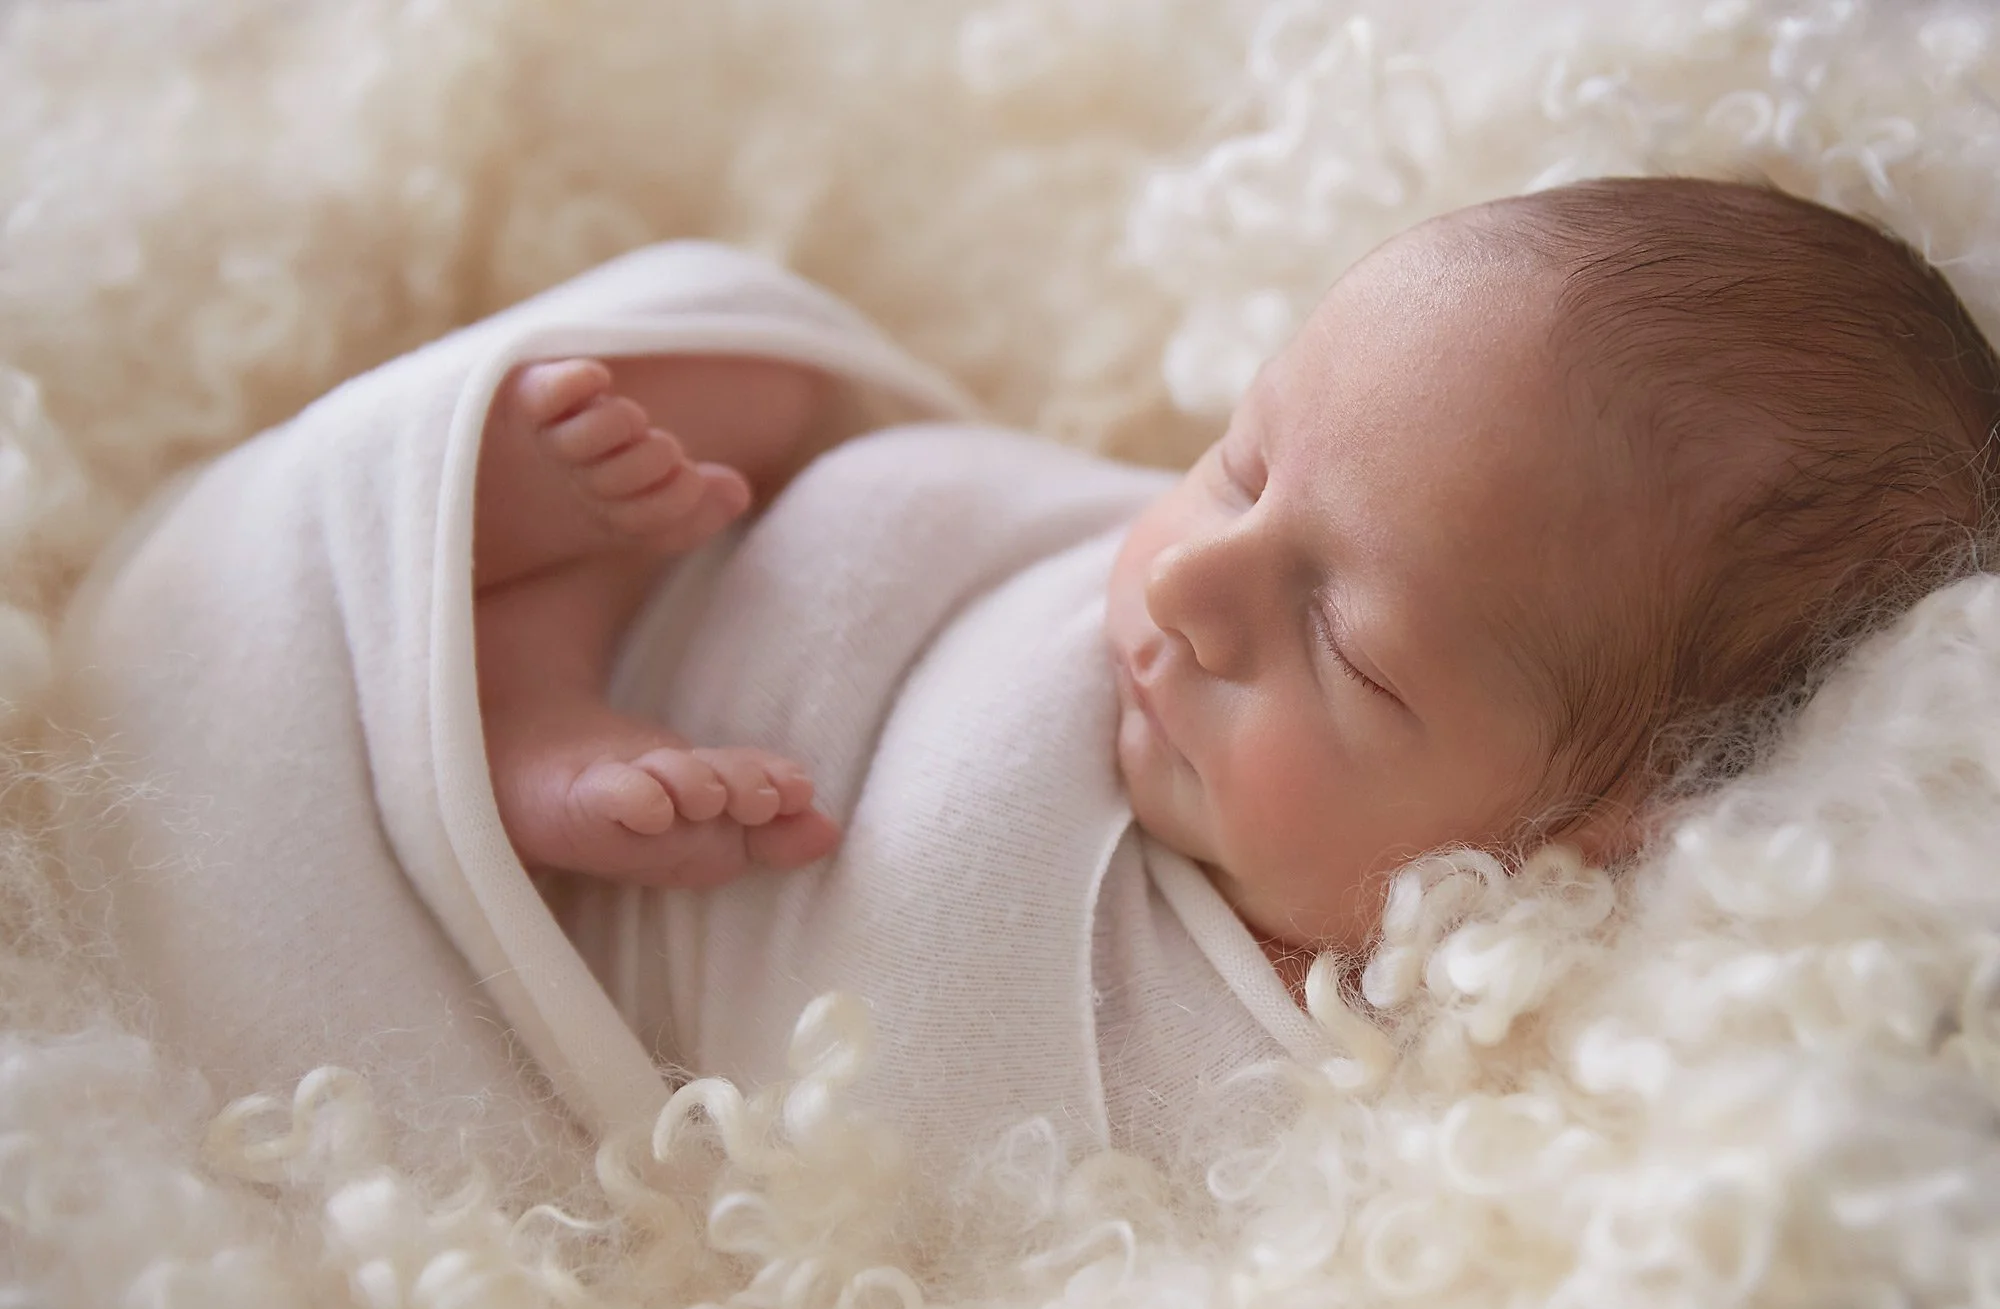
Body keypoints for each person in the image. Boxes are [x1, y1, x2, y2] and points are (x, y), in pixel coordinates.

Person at [473, 175, 2000, 1007]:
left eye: (1343, 643)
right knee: (733, 356)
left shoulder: (1333, 1075)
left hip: (561, 926)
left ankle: (500, 729)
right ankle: (527, 622)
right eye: (1240, 461)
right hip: (726, 550)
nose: (1190, 578)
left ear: (1581, 846)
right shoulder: (1180, 580)